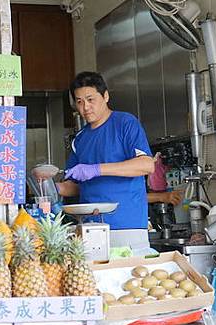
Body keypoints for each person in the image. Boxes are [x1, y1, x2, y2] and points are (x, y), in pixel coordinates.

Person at [56, 71, 156, 230]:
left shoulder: (125, 123)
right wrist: (53, 188)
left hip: (128, 225)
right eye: (79, 102)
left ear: (106, 96)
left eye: (90, 100)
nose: (85, 107)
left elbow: (146, 165)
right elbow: (75, 185)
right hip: (91, 227)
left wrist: (97, 169)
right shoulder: (80, 139)